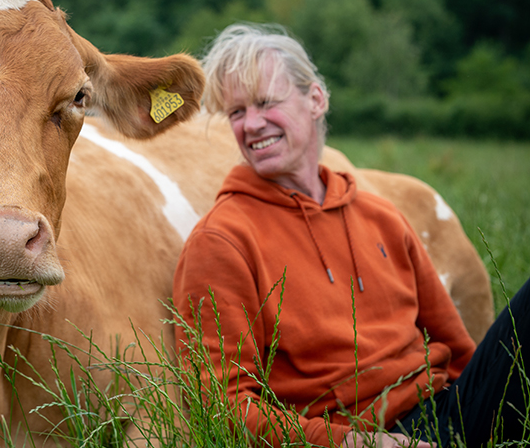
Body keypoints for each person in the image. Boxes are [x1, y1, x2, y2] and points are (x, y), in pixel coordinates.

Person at [172, 23, 530, 448]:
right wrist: (357, 443)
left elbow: (457, 352)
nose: (251, 124)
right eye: (236, 112)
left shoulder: (381, 215)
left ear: (316, 99)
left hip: (446, 412)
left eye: (266, 102)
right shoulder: (221, 240)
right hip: (349, 438)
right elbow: (221, 405)